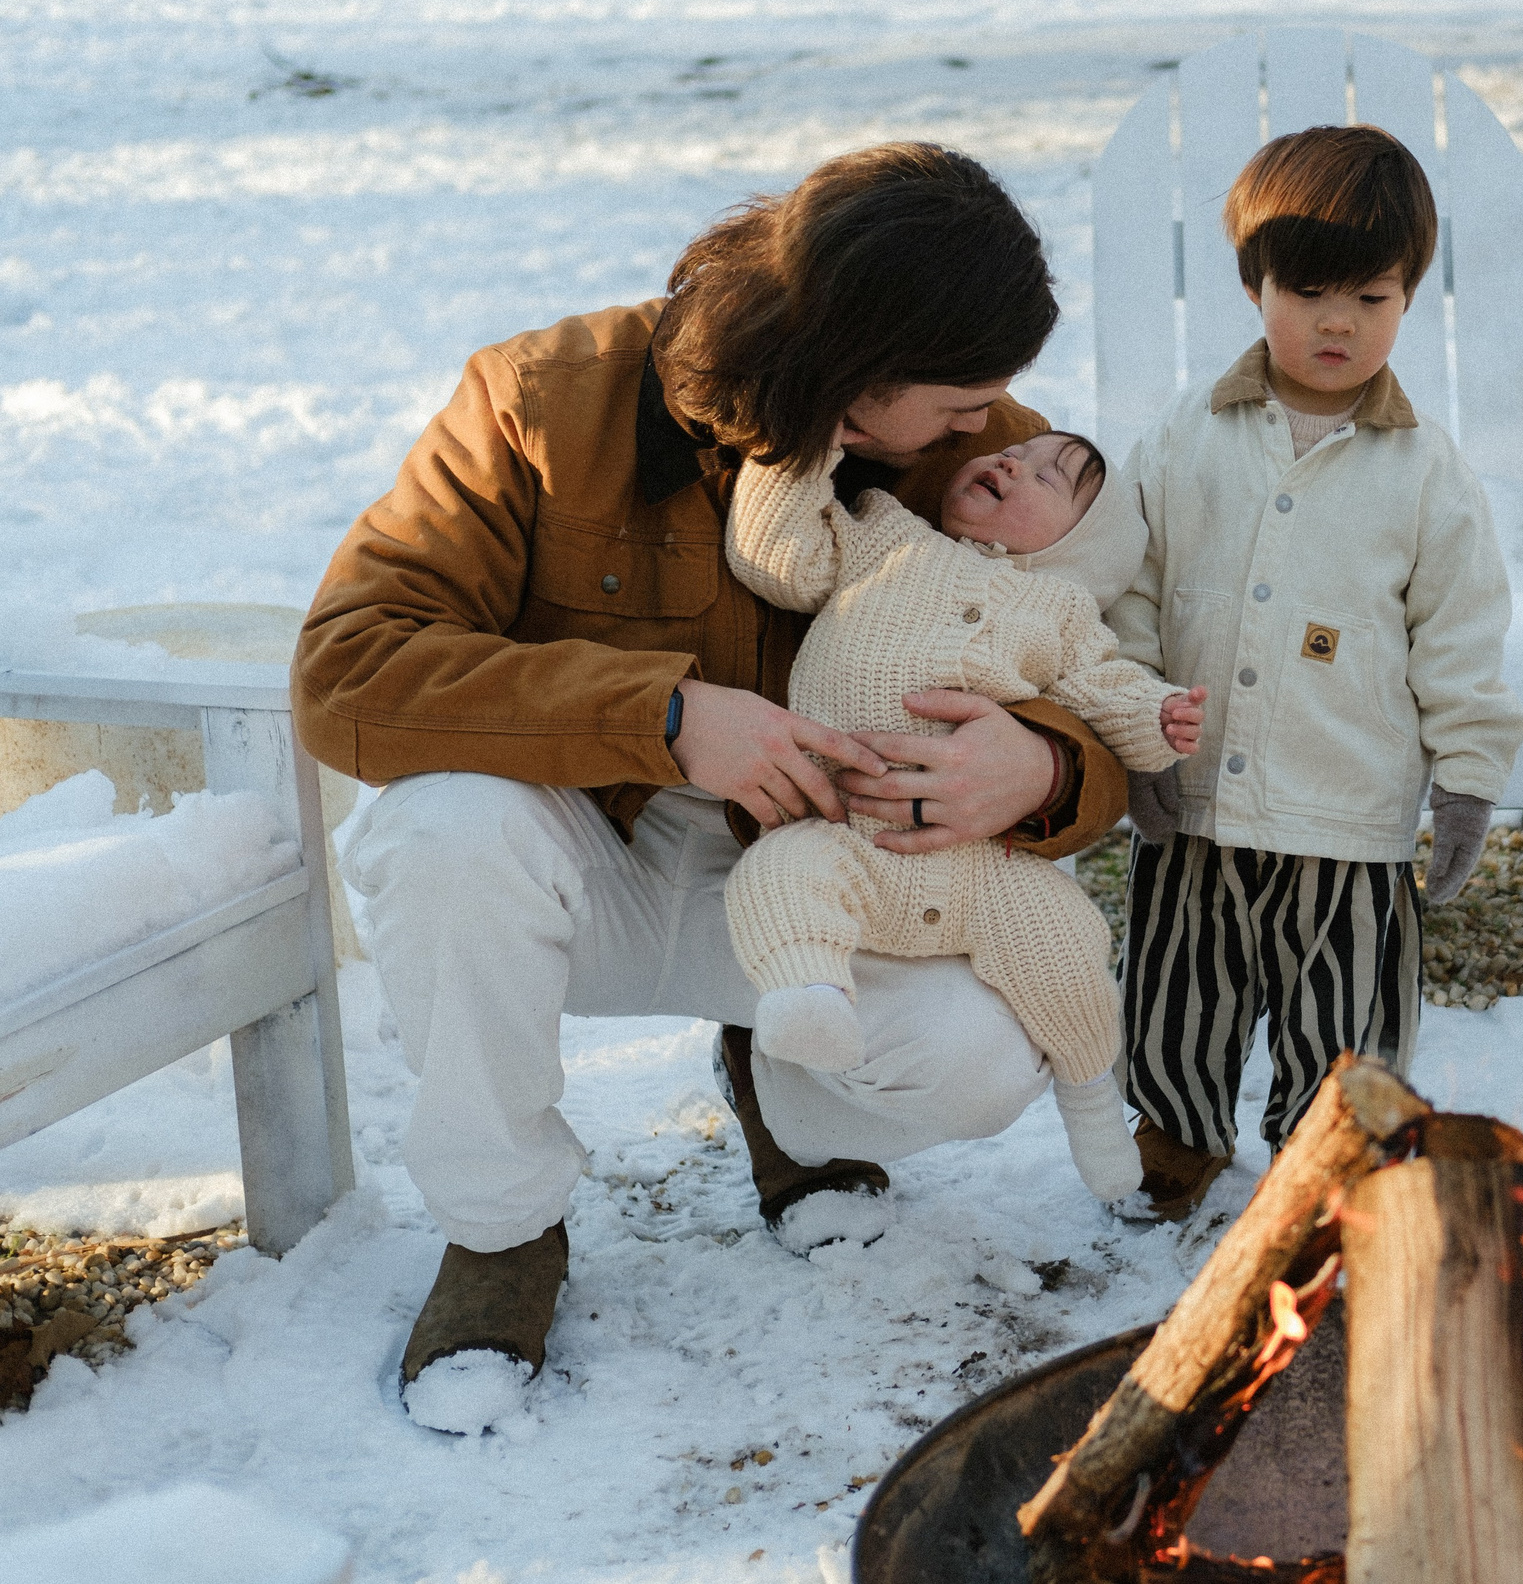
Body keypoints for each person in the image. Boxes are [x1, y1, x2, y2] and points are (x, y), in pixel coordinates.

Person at [295, 144, 1131, 1432]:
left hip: (830, 892)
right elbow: (347, 671)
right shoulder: (537, 400)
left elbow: (1111, 678)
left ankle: (792, 1101)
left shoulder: (975, 454)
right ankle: (503, 1230)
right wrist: (667, 718)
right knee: (437, 833)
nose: (987, 428)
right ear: (857, 373)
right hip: (588, 857)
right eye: (961, 400)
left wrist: (1045, 764)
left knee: (981, 1060)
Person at [1106, 124, 1523, 1221]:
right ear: (1255, 284)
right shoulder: (1186, 439)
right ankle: (1173, 1136)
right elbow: (1133, 589)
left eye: (1373, 298)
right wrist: (1138, 728)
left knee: (1341, 1012)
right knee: (1176, 988)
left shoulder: (1424, 471)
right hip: (1194, 800)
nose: (1338, 322)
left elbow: (1461, 636)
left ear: (1408, 299)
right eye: (1307, 292)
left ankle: (1329, 1156)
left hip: (1349, 811)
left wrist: (1469, 778)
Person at [722, 428, 1208, 1203]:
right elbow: (780, 561)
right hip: (845, 829)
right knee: (778, 873)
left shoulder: (1064, 612)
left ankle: (1090, 1099)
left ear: (1081, 544)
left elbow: (1104, 690)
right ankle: (806, 996)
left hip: (978, 867)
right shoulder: (885, 530)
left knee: (1067, 941)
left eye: (1052, 477)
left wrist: (1159, 716)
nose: (1014, 460)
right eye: (1021, 451)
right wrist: (801, 452)